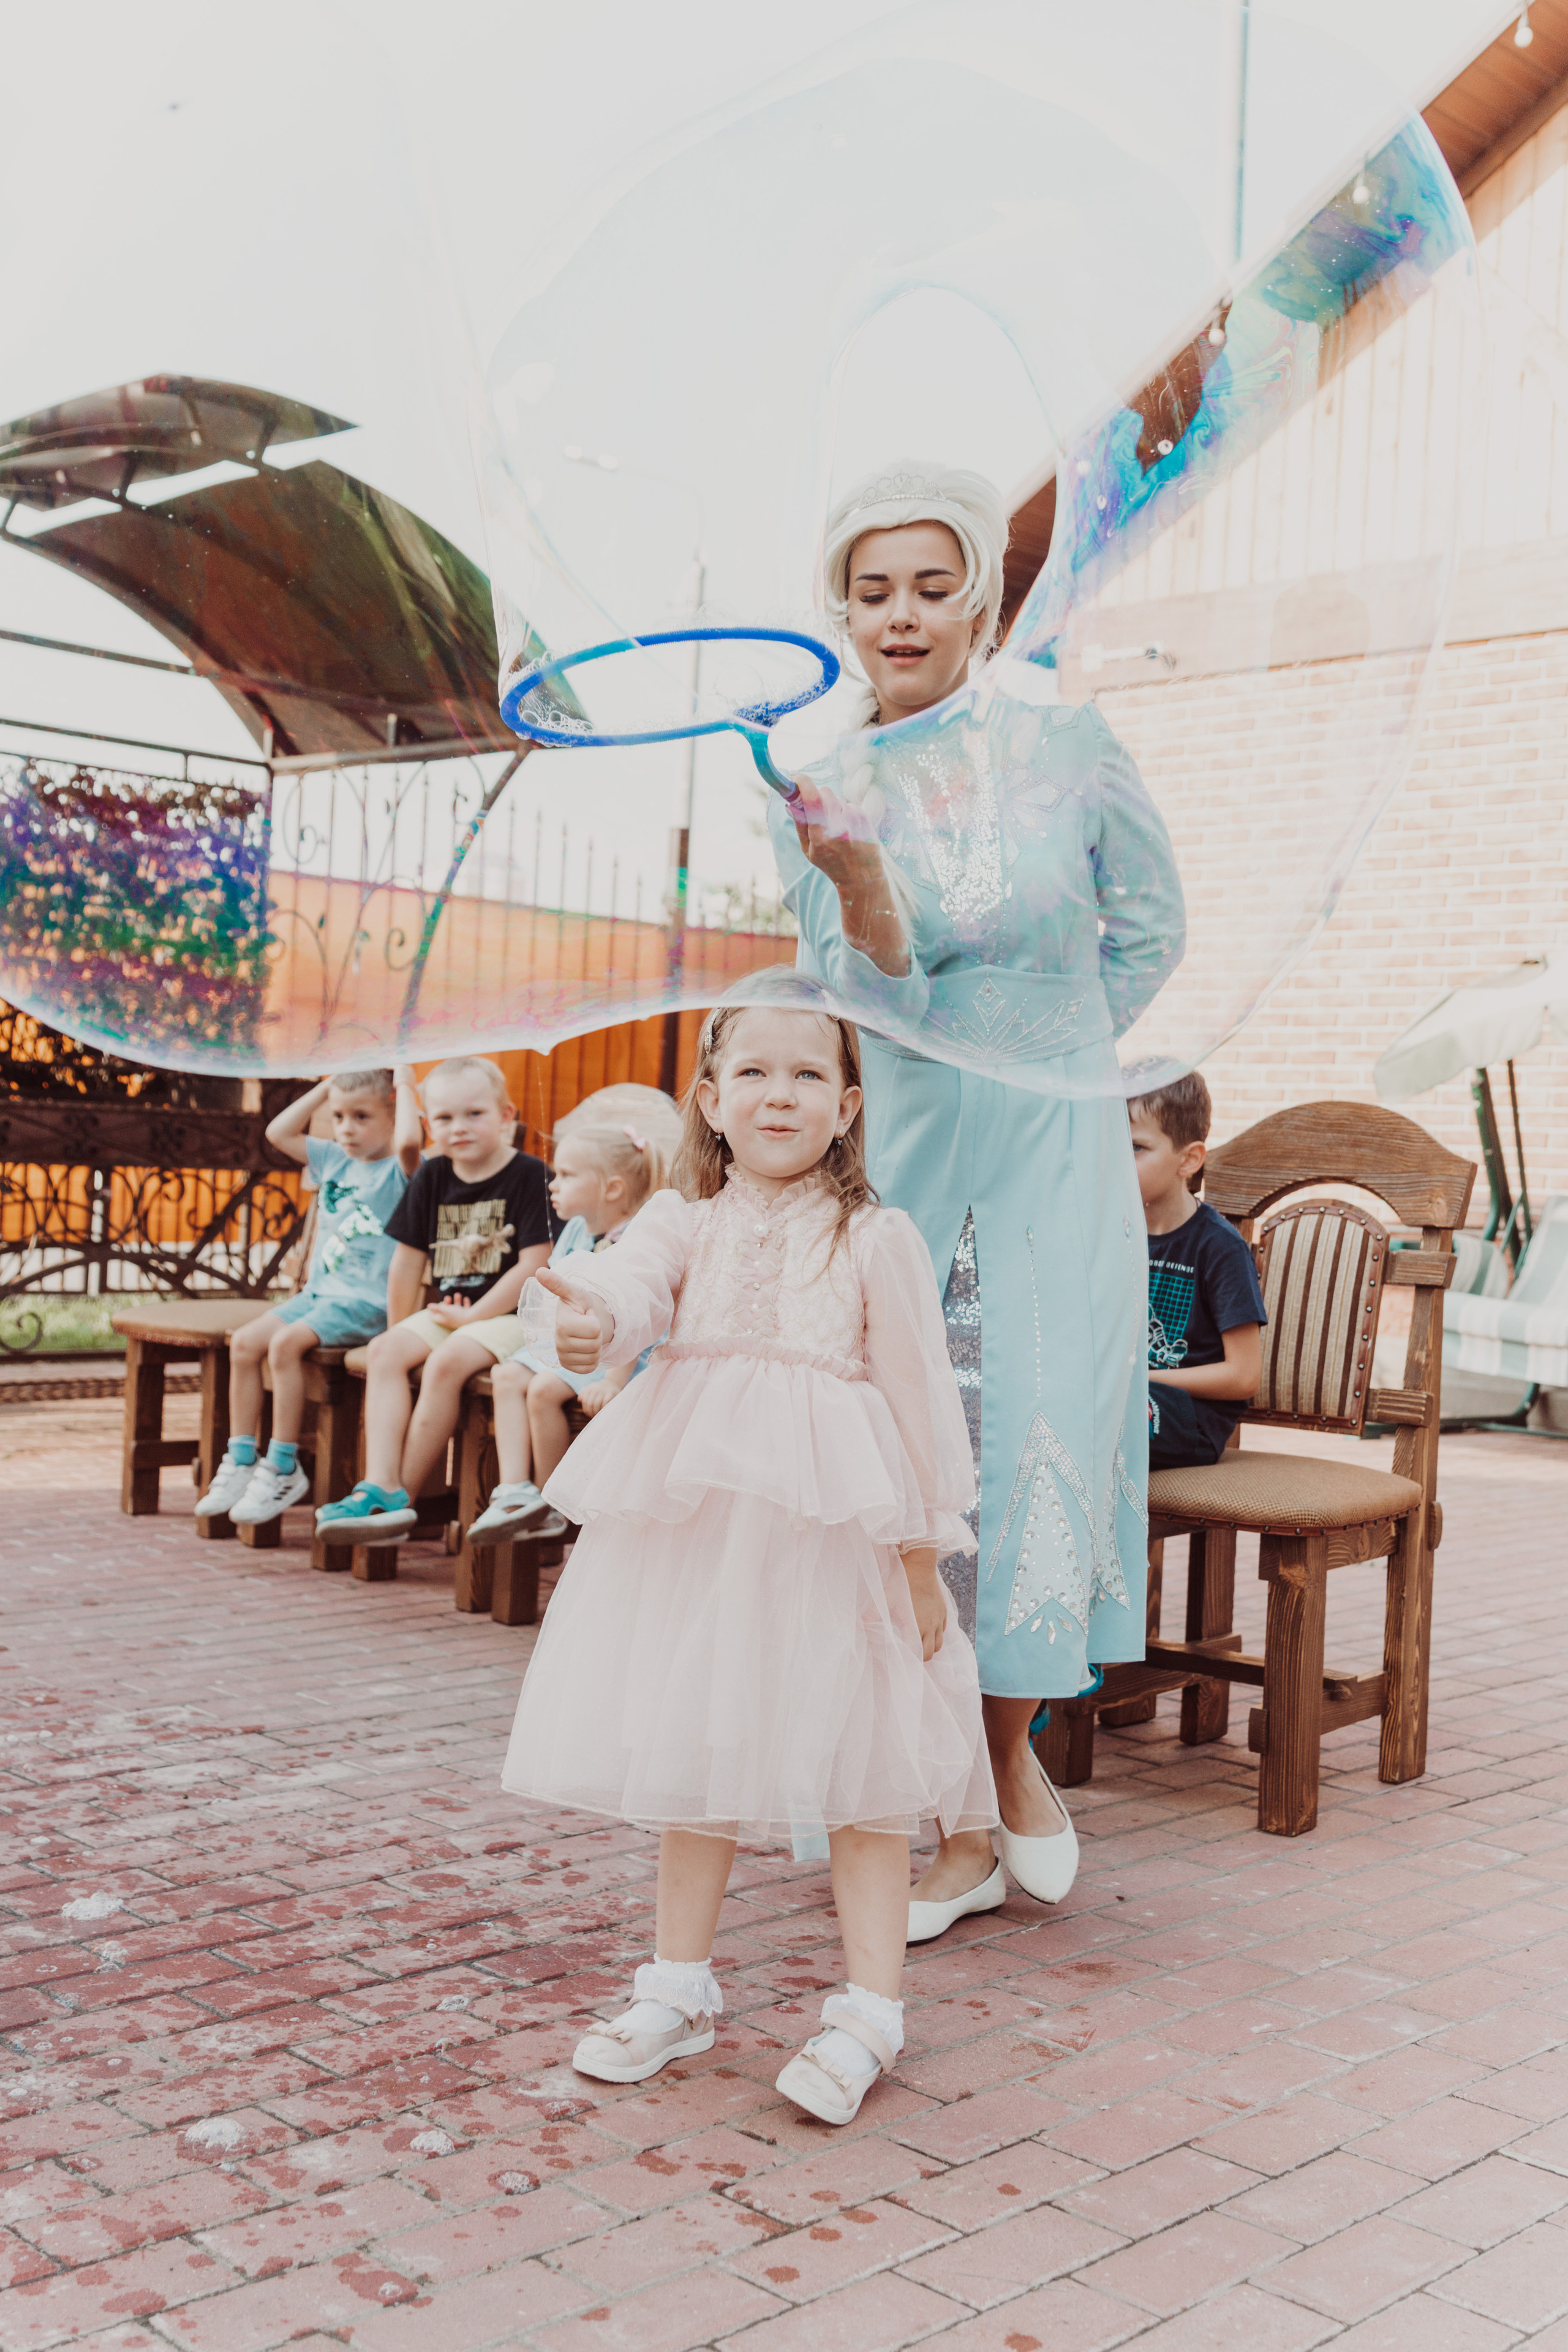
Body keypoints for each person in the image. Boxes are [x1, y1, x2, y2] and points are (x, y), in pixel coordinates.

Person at [766, 462, 1186, 1942]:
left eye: (930, 585)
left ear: (980, 601)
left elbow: (1149, 927)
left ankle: (994, 1774)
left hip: (1057, 1152)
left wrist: (1054, 1043)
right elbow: (860, 988)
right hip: (912, 1154)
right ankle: (950, 1808)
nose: (901, 614)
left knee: (1036, 1449)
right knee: (905, 1473)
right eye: (871, 588)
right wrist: (857, 876)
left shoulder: (1068, 739)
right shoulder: (820, 782)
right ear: (840, 606)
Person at [502, 998, 995, 2123]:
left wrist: (920, 1559)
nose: (782, 1095)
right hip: (709, 1543)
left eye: (809, 1077)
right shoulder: (683, 1220)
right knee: (701, 1744)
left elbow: (922, 1410)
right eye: (755, 1075)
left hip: (843, 1542)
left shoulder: (877, 1239)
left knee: (865, 1765)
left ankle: (871, 2005)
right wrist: (588, 1330)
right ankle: (679, 1986)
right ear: (713, 1104)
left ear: (848, 1105)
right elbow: (624, 1294)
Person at [315, 1057, 554, 1542]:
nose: (458, 1128)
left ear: (506, 1116)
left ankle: (401, 1499)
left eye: (474, 1114)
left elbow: (536, 1267)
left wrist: (478, 1316)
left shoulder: (531, 1175)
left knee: (446, 1363)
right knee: (385, 1352)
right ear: (429, 1125)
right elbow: (406, 1262)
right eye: (444, 1118)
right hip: (452, 1314)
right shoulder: (432, 1175)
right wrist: (400, 1329)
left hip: (512, 1315)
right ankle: (379, 1486)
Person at [197, 1068, 422, 1526]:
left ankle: (282, 1464)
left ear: (394, 1115)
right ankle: (242, 1458)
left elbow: (410, 1145)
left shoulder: (400, 1172)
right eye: (338, 1117)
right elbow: (277, 1132)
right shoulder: (334, 1158)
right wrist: (328, 1086)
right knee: (243, 1343)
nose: (346, 1129)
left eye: (361, 1117)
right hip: (320, 1295)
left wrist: (406, 1084)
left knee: (283, 1346)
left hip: (366, 1304)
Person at [469, 1114, 671, 1542]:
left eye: (566, 1175)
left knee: (543, 1391)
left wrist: (615, 1382)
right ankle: (514, 1491)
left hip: (621, 1358)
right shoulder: (577, 1230)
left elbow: (642, 1318)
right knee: (507, 1375)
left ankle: (553, 1503)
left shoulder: (640, 1238)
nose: (552, 1185)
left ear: (612, 1188)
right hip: (575, 1347)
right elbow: (555, 1286)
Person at [1130, 1072, 1265, 1469]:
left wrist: (1140, 1382)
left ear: (1188, 1159)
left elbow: (1243, 1376)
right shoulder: (1111, 1234)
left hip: (1189, 1418)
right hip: (1119, 1397)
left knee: (1103, 1418)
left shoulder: (1218, 1247)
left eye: (1137, 1147)